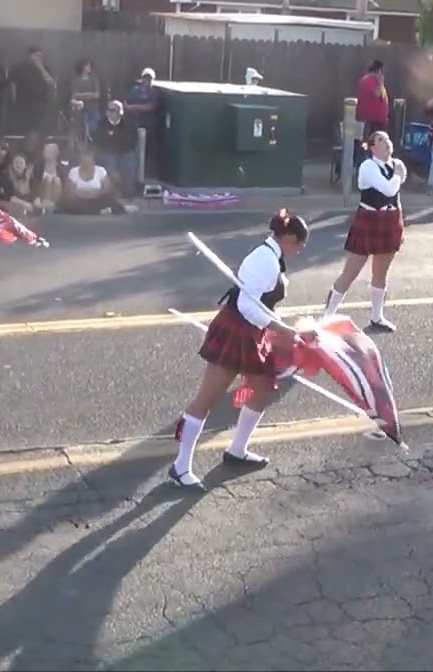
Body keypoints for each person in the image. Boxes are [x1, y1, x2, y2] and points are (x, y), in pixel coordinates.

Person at [169, 211, 312, 492]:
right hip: (236, 331)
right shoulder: (265, 261)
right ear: (291, 239)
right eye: (300, 247)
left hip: (251, 332)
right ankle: (180, 466)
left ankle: (237, 450)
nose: (299, 252)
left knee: (263, 388)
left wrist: (285, 330)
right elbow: (248, 308)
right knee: (206, 400)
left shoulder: (271, 257)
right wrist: (286, 332)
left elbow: (262, 306)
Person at [322, 131, 406, 332]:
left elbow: (395, 197)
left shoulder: (395, 164)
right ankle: (326, 319)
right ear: (372, 147)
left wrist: (399, 219)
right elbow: (388, 190)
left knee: (381, 272)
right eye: (380, 140)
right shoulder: (368, 167)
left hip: (389, 221)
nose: (386, 142)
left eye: (387, 138)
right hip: (369, 220)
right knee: (351, 271)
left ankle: (377, 317)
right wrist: (398, 174)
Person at [56, 146, 137, 215]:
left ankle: (107, 209)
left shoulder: (100, 170)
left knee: (109, 198)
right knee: (68, 201)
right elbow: (70, 191)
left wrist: (96, 193)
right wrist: (83, 194)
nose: (85, 160)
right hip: (80, 200)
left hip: (97, 199)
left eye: (87, 157)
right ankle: (99, 211)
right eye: (83, 157)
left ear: (92, 159)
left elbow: (107, 189)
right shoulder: (73, 171)